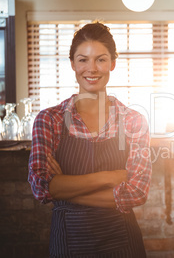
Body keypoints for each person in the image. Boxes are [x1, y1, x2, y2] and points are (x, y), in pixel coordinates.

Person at [28, 22, 151, 257]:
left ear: (112, 64)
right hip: (68, 242)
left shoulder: (133, 121)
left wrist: (63, 188)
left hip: (123, 243)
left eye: (101, 59)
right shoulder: (49, 120)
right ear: (73, 64)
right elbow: (41, 187)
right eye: (83, 59)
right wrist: (111, 177)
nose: (91, 69)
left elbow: (136, 192)